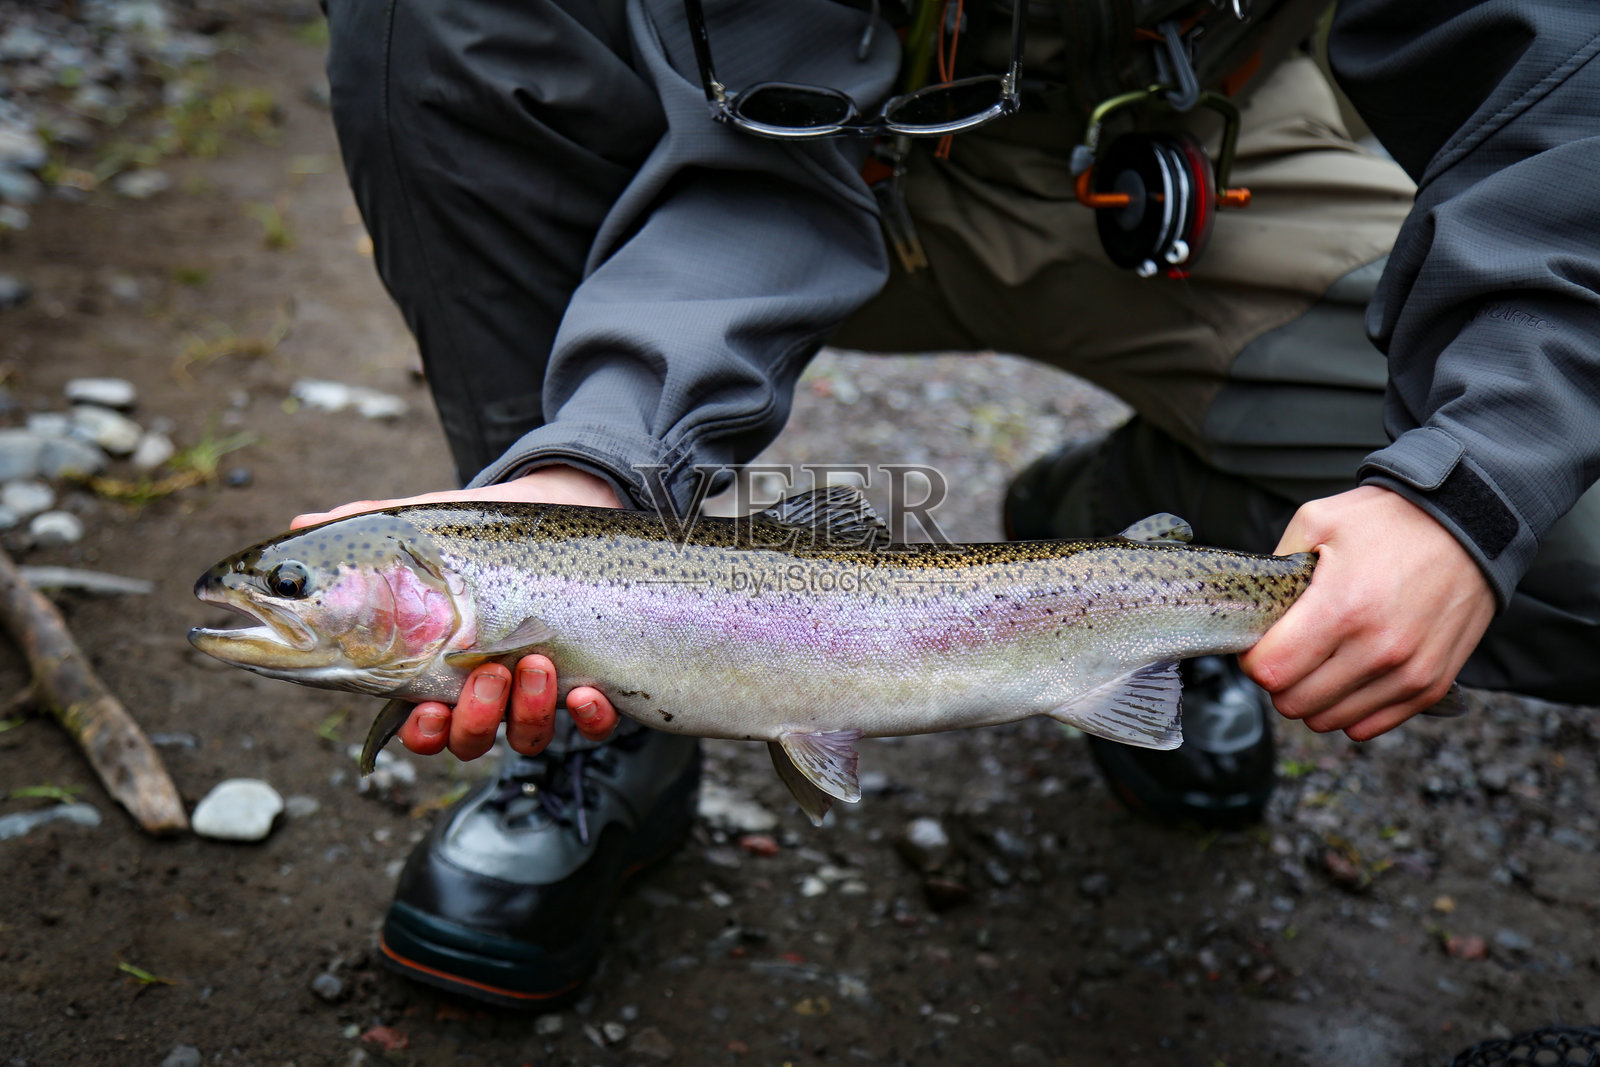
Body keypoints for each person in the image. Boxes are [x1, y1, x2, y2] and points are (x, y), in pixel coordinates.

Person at [301, 0, 1600, 1006]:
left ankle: (1133, 551)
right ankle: (596, 708)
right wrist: (586, 471)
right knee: (438, 18)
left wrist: (1472, 486)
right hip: (742, 151)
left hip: (1184, 153)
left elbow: (1563, 96)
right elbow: (757, 168)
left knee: (1573, 537)